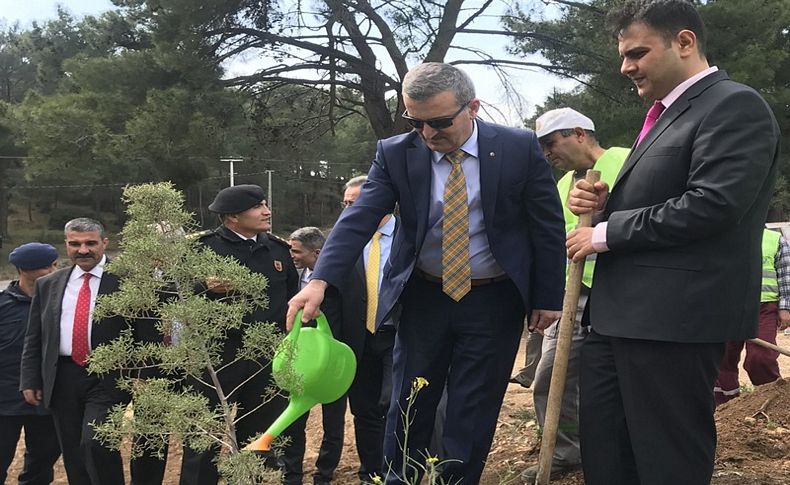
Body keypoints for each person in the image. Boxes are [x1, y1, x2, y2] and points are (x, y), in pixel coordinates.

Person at [288, 62, 566, 484]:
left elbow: (545, 225)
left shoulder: (517, 147)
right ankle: (400, 479)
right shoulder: (397, 152)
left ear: (472, 107)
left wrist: (548, 297)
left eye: (439, 122)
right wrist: (320, 280)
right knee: (409, 401)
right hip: (424, 298)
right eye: (415, 122)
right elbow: (359, 218)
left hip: (494, 300)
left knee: (472, 408)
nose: (428, 134)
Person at [565, 2, 780, 484]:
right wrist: (602, 206)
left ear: (684, 42)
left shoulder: (733, 105)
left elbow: (713, 204)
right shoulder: (664, 115)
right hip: (620, 319)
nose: (626, 67)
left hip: (673, 322)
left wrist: (604, 233)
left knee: (666, 460)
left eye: (637, 52)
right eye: (623, 55)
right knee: (608, 454)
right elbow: (666, 196)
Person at [521, 108, 629, 483]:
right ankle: (567, 452)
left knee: (619, 381)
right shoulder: (564, 182)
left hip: (620, 292)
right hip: (575, 294)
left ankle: (621, 453)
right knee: (550, 376)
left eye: (551, 143)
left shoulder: (626, 160)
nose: (547, 153)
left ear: (579, 133)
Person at [179, 184, 300, 485]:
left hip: (264, 359)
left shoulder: (278, 250)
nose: (267, 211)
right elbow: (173, 296)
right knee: (202, 440)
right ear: (232, 216)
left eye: (265, 205)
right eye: (258, 207)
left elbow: (292, 303)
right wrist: (203, 287)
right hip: (215, 358)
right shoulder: (201, 249)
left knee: (259, 440)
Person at [19, 218, 148, 485]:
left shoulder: (128, 281)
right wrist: (30, 378)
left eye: (90, 243)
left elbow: (144, 331)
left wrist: (144, 372)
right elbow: (36, 336)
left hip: (107, 375)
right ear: (66, 245)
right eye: (75, 244)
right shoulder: (50, 284)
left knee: (96, 443)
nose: (83, 250)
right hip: (63, 376)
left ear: (104, 243)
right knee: (74, 452)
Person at [342, 175, 397, 484]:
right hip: (358, 339)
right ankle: (370, 473)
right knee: (363, 411)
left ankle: (398, 471)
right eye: (346, 203)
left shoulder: (410, 236)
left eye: (356, 202)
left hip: (398, 335)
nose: (349, 209)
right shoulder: (343, 240)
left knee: (394, 405)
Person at [285, 226, 349, 485]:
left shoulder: (339, 279)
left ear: (318, 252)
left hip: (331, 360)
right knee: (294, 418)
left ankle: (324, 474)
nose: (293, 256)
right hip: (299, 360)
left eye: (297, 251)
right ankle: (291, 474)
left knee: (333, 420)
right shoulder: (292, 275)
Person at [0, 243, 61, 484]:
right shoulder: (3, 306)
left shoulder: (60, 304)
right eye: (47, 266)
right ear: (24, 270)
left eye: (54, 264)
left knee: (41, 465)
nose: (54, 270)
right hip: (4, 402)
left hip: (46, 401)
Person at [714, 228, 789, 404]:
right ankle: (726, 405)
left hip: (763, 309)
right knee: (723, 358)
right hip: (728, 309)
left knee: (760, 357)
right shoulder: (723, 237)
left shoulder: (775, 239)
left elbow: (787, 275)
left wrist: (785, 307)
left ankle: (773, 401)